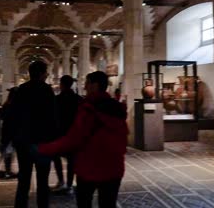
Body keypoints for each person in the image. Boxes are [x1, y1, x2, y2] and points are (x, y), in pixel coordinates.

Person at [39, 71, 128, 208]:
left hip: (89, 167)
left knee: (84, 203)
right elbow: (123, 138)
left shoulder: (88, 110)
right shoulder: (117, 109)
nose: (85, 87)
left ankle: (65, 183)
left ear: (95, 85)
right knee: (108, 204)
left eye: (87, 83)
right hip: (113, 167)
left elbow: (74, 139)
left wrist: (44, 148)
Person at [11, 61, 57, 208]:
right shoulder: (47, 90)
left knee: (23, 180)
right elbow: (52, 117)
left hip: (24, 140)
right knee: (43, 181)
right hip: (42, 141)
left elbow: (14, 116)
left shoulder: (21, 90)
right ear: (43, 73)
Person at [52, 75, 82, 193]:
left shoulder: (56, 99)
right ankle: (69, 185)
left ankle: (61, 181)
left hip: (59, 133)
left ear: (62, 84)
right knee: (71, 160)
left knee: (56, 157)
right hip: (74, 133)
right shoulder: (79, 99)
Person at [0, 87, 19, 179]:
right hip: (11, 131)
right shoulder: (15, 105)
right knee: (9, 152)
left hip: (7, 130)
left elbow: (1, 116)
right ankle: (7, 172)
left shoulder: (7, 104)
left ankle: (8, 171)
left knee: (8, 151)